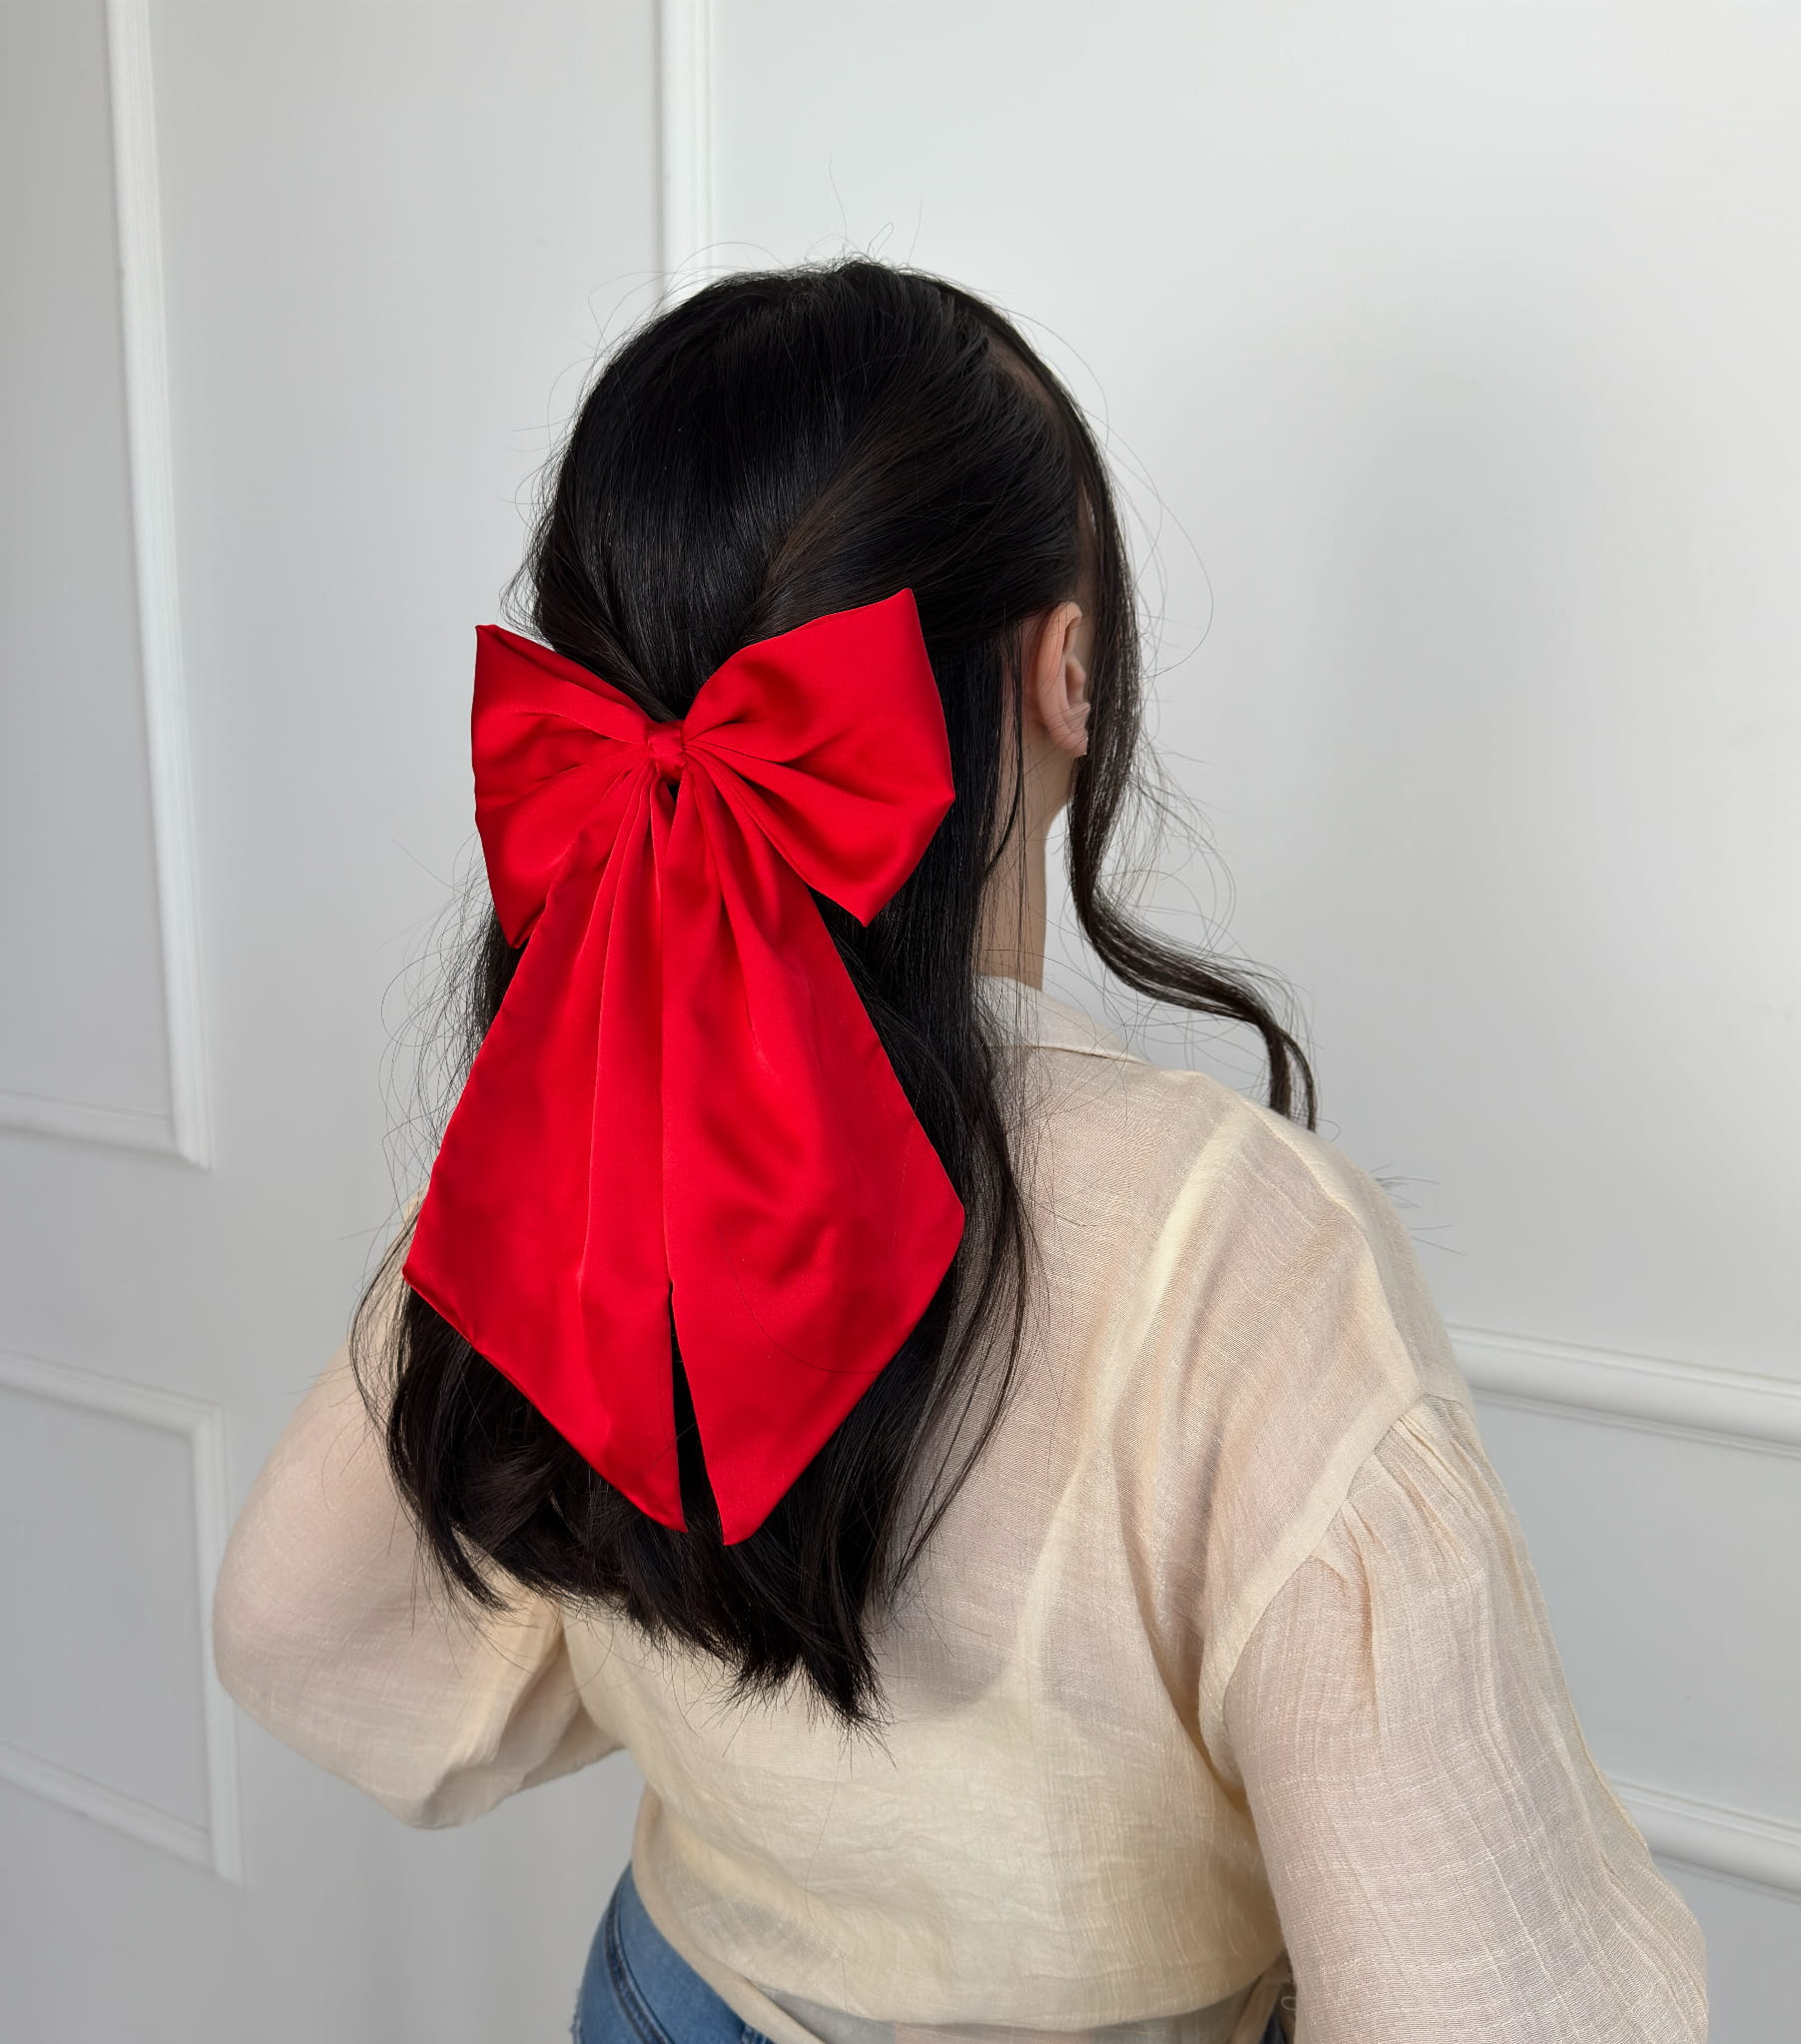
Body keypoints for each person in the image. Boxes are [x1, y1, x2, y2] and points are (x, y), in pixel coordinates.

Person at [212, 260, 1707, 2044]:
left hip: (668, 1994)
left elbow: (293, 1624)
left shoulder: (566, 1140)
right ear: (1067, 669)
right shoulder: (1238, 1251)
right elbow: (1497, 2008)